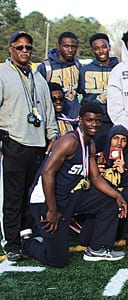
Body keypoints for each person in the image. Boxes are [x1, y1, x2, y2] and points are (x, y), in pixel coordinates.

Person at [21, 103, 128, 268]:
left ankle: (96, 249)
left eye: (97, 121)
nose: (94, 124)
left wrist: (118, 196)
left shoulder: (90, 145)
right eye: (89, 120)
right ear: (80, 120)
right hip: (46, 200)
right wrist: (52, 210)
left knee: (109, 200)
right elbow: (47, 173)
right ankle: (28, 243)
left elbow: (96, 177)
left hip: (69, 196)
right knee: (58, 260)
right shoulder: (69, 141)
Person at [0, 31, 58, 262]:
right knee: (12, 197)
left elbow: (48, 109)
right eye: (19, 47)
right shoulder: (3, 73)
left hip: (37, 144)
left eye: (28, 48)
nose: (24, 51)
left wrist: (52, 134)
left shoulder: (37, 77)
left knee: (31, 195)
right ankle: (11, 243)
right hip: (13, 141)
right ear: (10, 49)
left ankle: (26, 237)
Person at [78, 33, 119, 152]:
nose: (101, 51)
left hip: (114, 121)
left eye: (104, 47)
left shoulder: (119, 68)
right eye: (96, 48)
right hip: (93, 124)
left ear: (109, 47)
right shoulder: (84, 70)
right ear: (92, 51)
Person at [37, 31, 81, 120]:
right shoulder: (45, 67)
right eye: (66, 46)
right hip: (53, 120)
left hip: (73, 119)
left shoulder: (77, 65)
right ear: (58, 46)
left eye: (73, 47)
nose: (70, 50)